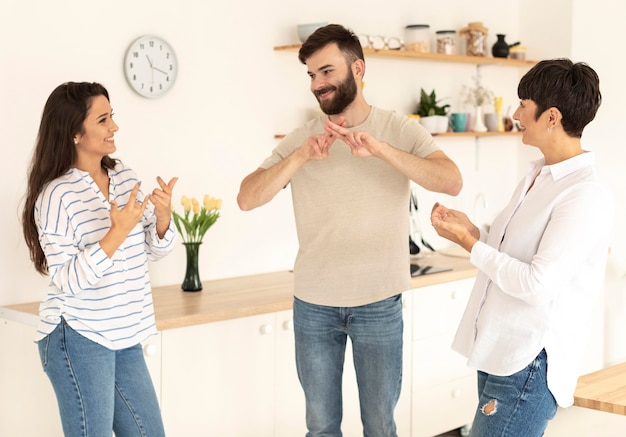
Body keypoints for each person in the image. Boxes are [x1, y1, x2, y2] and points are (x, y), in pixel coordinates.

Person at [237, 24, 462, 436]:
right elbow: (247, 197)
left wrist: (380, 149)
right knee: (321, 428)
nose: (317, 84)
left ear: (357, 68)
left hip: (379, 301)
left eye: (326, 71)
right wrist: (300, 157)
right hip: (313, 304)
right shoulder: (303, 138)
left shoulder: (398, 130)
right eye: (311, 75)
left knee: (379, 426)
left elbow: (451, 181)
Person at [430, 59, 613, 437]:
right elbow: (513, 253)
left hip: (528, 361)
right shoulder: (537, 175)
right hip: (500, 349)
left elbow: (536, 283)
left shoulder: (584, 193)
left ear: (551, 117)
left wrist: (469, 245)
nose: (515, 114)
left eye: (523, 104)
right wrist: (473, 233)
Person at [21, 82, 178, 437]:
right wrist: (116, 233)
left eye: (112, 117)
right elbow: (67, 280)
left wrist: (164, 217)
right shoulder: (56, 195)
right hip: (78, 334)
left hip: (125, 331)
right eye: (103, 120)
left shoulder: (125, 175)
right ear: (75, 132)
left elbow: (155, 250)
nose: (114, 127)